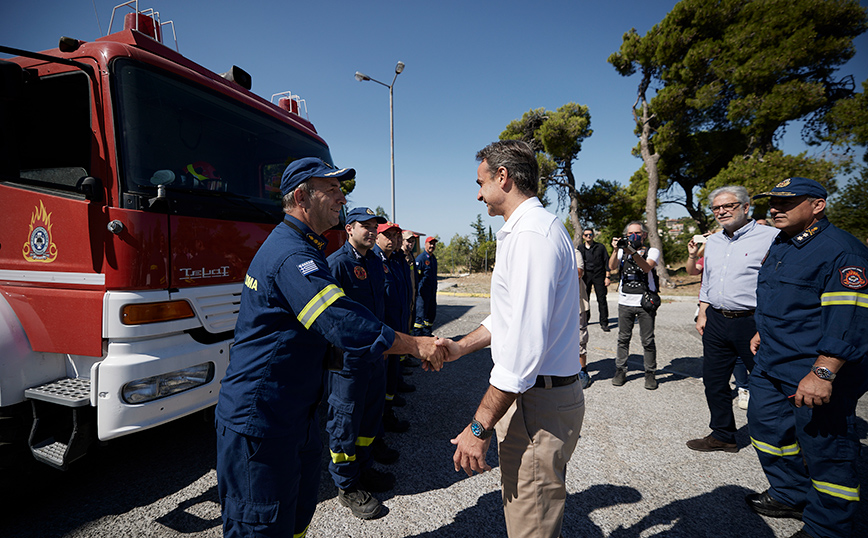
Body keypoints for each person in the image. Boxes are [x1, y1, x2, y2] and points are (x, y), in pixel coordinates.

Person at [214, 158, 443, 538]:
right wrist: (416, 345)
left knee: (295, 520)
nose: (342, 198)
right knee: (261, 527)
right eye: (332, 189)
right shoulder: (292, 255)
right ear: (302, 197)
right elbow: (340, 321)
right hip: (262, 419)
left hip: (291, 413)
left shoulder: (303, 248)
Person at [434, 140, 585, 538]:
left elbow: (522, 348)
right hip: (540, 399)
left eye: (480, 182)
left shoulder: (531, 236)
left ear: (503, 177)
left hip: (538, 403)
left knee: (530, 526)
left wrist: (479, 427)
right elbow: (509, 318)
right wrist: (461, 347)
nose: (478, 194)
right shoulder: (532, 229)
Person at [745, 177, 868, 538]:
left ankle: (827, 527)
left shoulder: (843, 251)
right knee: (767, 429)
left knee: (826, 450)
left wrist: (823, 372)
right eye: (773, 202)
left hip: (812, 369)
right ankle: (790, 494)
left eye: (787, 202)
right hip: (772, 361)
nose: (775, 208)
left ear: (817, 206)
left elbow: (850, 319)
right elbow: (786, 299)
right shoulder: (783, 242)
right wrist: (763, 330)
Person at [685, 186, 778, 454]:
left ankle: (782, 439)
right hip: (716, 320)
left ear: (746, 207)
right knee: (714, 382)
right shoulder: (713, 241)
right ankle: (722, 435)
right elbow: (707, 280)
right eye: (716, 208)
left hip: (753, 322)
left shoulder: (771, 237)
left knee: (767, 383)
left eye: (729, 206)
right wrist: (703, 312)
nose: (722, 211)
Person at [325, 206, 398, 520]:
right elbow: (331, 318)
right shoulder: (337, 264)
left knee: (370, 417)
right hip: (348, 361)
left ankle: (363, 467)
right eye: (364, 226)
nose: (371, 231)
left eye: (374, 226)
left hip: (375, 356)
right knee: (345, 421)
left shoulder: (374, 262)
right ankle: (346, 484)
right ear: (349, 229)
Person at [609, 221, 661, 389]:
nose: (633, 236)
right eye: (630, 234)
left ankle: (650, 373)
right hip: (625, 301)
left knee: (647, 340)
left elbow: (646, 267)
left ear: (644, 234)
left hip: (645, 302)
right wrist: (616, 249)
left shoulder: (652, 251)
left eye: (637, 233)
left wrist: (632, 252)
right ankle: (620, 370)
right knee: (623, 339)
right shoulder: (622, 250)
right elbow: (612, 266)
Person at [374, 222, 413, 433]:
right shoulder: (374, 261)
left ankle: (387, 413)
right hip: (384, 336)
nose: (394, 240)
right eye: (388, 235)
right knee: (380, 384)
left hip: (396, 330)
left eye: (397, 236)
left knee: (390, 379)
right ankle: (382, 418)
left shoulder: (394, 260)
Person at [580, 227, 612, 331]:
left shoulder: (600, 247)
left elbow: (607, 262)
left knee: (601, 299)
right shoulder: (580, 248)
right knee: (585, 298)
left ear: (593, 235)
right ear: (583, 236)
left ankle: (604, 323)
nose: (588, 236)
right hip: (586, 276)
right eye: (586, 235)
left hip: (599, 275)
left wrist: (607, 277)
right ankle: (585, 320)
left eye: (590, 234)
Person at [414, 236, 438, 336]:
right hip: (422, 294)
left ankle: (427, 334)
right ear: (425, 245)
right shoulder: (421, 259)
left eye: (434, 244)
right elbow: (416, 278)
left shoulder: (433, 259)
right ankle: (418, 337)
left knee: (430, 314)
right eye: (430, 243)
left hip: (431, 292)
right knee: (420, 317)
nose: (432, 246)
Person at [576, 246, 591, 388]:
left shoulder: (575, 253)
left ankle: (582, 371)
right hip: (555, 306)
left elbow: (579, 273)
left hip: (576, 305)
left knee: (580, 339)